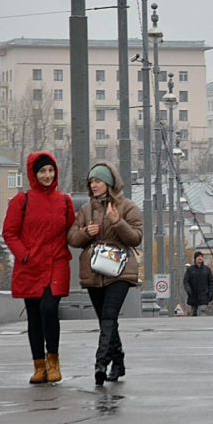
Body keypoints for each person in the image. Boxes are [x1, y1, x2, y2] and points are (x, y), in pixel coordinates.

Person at [2, 151, 75, 384]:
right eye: (42, 171)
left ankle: (53, 360)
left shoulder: (64, 201)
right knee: (34, 316)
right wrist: (24, 255)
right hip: (30, 266)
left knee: (49, 308)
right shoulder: (21, 201)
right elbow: (9, 232)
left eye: (51, 170)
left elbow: (71, 230)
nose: (47, 175)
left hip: (56, 263)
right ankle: (39, 366)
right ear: (34, 173)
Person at [68, 162, 142, 386]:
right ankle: (118, 362)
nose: (94, 185)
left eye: (98, 180)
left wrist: (116, 222)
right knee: (105, 320)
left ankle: (101, 364)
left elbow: (136, 238)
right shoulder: (86, 210)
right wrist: (85, 232)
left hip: (119, 270)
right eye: (91, 182)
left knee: (109, 316)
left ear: (109, 183)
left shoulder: (127, 206)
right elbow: (71, 238)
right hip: (93, 270)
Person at [183, 251, 213, 317]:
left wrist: (211, 293)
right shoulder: (190, 270)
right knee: (193, 312)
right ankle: (194, 325)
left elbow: (211, 282)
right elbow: (186, 281)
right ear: (195, 258)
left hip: (204, 294)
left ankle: (203, 324)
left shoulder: (207, 269)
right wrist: (189, 290)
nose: (200, 258)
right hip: (193, 294)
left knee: (203, 310)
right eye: (198, 256)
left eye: (201, 256)